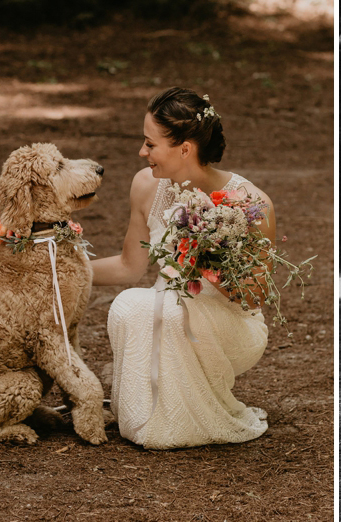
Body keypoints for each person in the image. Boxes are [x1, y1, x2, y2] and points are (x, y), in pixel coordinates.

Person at [89, 87, 272, 449]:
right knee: (131, 303)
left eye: (150, 144)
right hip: (166, 309)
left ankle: (181, 427)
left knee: (167, 311)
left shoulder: (251, 203)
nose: (143, 153)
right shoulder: (145, 185)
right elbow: (129, 267)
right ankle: (151, 420)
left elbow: (255, 294)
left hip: (231, 325)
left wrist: (208, 255)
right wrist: (57, 267)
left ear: (184, 148)